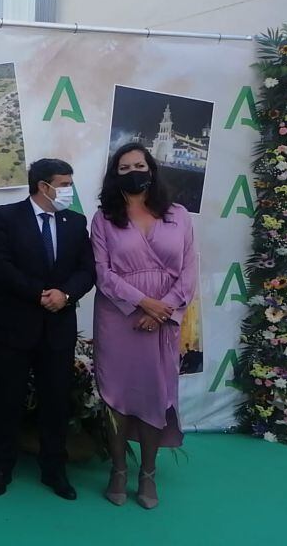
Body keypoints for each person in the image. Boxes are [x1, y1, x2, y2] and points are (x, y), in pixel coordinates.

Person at [91, 142, 196, 509]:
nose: (133, 171)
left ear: (151, 170)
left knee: (156, 392)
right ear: (114, 175)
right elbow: (103, 274)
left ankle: (147, 473)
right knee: (116, 393)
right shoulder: (104, 218)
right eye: (124, 167)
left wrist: (163, 309)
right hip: (119, 318)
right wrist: (143, 303)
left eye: (139, 164)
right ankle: (118, 469)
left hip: (163, 321)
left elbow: (189, 272)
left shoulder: (179, 215)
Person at [0, 158, 95, 500]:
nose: (68, 190)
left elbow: (87, 270)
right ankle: (1, 467)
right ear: (43, 186)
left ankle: (54, 470)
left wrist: (66, 294)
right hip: (14, 327)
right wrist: (39, 294)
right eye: (63, 183)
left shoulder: (76, 223)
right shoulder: (5, 217)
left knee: (56, 403)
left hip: (58, 329)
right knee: (7, 401)